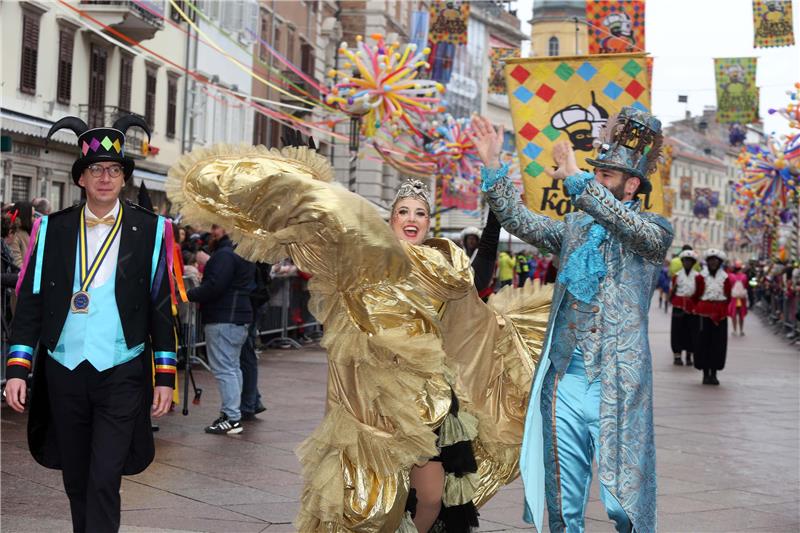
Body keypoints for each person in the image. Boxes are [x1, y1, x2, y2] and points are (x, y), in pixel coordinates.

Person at [166, 136, 551, 532]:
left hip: (427, 400)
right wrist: (303, 184)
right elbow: (318, 231)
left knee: (433, 499)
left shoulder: (445, 266)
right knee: (374, 504)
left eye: (420, 211)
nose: (411, 217)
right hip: (371, 399)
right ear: (391, 220)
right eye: (403, 210)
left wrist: (492, 206)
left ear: (428, 221)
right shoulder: (364, 254)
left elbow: (480, 300)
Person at [472, 106, 673, 533]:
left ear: (632, 184)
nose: (595, 179)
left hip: (617, 381)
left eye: (606, 175)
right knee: (563, 499)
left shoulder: (655, 229)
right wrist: (493, 167)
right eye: (595, 174)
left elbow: (625, 225)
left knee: (626, 503)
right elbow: (521, 221)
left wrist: (578, 179)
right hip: (566, 377)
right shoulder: (576, 227)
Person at [4, 114, 176, 533]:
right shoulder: (51, 230)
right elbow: (30, 304)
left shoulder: (153, 230)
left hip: (121, 370)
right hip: (64, 370)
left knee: (104, 478)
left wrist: (165, 376)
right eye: (96, 169)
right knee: (76, 477)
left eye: (114, 169)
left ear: (123, 178)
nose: (105, 177)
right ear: (81, 178)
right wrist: (17, 370)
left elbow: (161, 306)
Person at [187, 224, 255, 435]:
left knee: (226, 368)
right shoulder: (243, 251)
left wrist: (188, 294)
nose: (212, 231)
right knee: (233, 368)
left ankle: (231, 417)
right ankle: (233, 414)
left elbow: (214, 287)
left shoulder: (225, 255)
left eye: (217, 227)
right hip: (237, 317)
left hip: (224, 318)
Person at [692, 249, 731, 385]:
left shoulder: (726, 278)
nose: (713, 263)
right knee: (703, 343)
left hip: (720, 314)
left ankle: (714, 373)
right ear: (707, 262)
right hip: (704, 313)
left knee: (718, 344)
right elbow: (696, 295)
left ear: (719, 262)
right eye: (710, 260)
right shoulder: (700, 277)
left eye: (715, 260)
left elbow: (728, 296)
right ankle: (705, 373)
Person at [670, 249, 699, 366]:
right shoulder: (676, 276)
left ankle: (689, 355)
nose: (687, 263)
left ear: (693, 263)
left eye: (689, 261)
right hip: (678, 306)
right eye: (685, 261)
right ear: (682, 262)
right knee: (677, 331)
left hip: (692, 307)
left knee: (692, 331)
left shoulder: (697, 276)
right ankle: (677, 355)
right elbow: (672, 291)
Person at [7, 200, 34, 268]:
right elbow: (17, 263)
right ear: (25, 217)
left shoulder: (27, 232)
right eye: (32, 216)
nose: (35, 218)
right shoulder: (13, 235)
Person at [728, 260, 749, 336]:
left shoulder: (730, 276)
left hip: (734, 297)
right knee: (741, 314)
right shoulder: (744, 276)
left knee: (734, 314)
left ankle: (734, 330)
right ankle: (741, 330)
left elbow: (729, 286)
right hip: (742, 297)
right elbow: (746, 286)